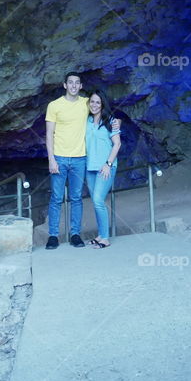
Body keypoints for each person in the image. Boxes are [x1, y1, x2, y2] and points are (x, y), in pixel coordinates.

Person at [44, 72, 119, 249]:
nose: (73, 86)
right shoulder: (54, 106)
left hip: (80, 159)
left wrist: (117, 123)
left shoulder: (86, 103)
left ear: (80, 86)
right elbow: (49, 133)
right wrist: (51, 159)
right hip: (59, 157)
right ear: (64, 85)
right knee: (56, 198)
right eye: (70, 83)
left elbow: (103, 113)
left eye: (77, 83)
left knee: (76, 198)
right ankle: (53, 235)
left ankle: (75, 234)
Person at [84, 90, 121, 248]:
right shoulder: (86, 121)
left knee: (99, 200)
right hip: (89, 167)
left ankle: (105, 238)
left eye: (98, 102)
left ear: (103, 104)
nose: (94, 105)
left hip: (105, 167)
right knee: (95, 201)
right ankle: (100, 235)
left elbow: (117, 144)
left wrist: (108, 164)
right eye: (92, 101)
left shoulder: (110, 121)